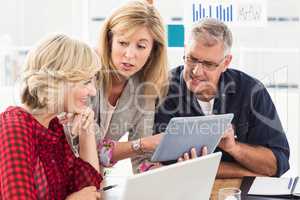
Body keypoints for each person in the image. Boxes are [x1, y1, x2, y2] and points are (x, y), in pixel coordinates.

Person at [154, 18, 290, 177]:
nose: (196, 71)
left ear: (226, 62)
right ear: (185, 51)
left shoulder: (251, 91)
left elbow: (277, 164)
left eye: (209, 64)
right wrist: (247, 172)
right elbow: (162, 166)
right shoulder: (165, 89)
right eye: (191, 59)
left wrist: (234, 148)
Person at [67, 0, 169, 173]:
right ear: (109, 40)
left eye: (141, 46)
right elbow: (95, 149)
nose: (129, 55)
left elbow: (141, 159)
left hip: (93, 179)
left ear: (153, 50)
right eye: (123, 43)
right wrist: (143, 144)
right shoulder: (84, 71)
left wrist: (164, 173)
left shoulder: (144, 87)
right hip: (60, 175)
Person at [0, 34, 103, 199]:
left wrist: (86, 131)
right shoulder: (14, 127)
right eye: (86, 82)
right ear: (58, 82)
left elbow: (89, 190)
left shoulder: (53, 126)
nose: (93, 91)